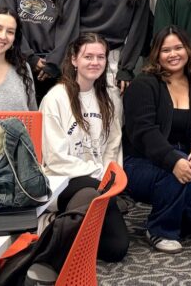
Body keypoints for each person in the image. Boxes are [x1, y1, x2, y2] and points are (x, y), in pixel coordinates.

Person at [122, 27, 191, 253]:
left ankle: (170, 209)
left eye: (178, 48)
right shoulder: (143, 85)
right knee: (174, 167)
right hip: (142, 162)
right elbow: (144, 132)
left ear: (188, 50)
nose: (173, 54)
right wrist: (173, 161)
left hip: (188, 161)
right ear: (156, 54)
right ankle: (160, 229)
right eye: (165, 50)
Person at [39, 32, 128, 262]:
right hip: (60, 182)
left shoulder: (108, 98)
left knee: (116, 249)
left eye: (101, 57)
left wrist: (109, 177)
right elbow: (54, 158)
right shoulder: (56, 98)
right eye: (88, 56)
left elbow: (113, 147)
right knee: (90, 187)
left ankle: (63, 225)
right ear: (74, 59)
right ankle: (52, 221)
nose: (95, 62)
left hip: (97, 184)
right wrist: (98, 175)